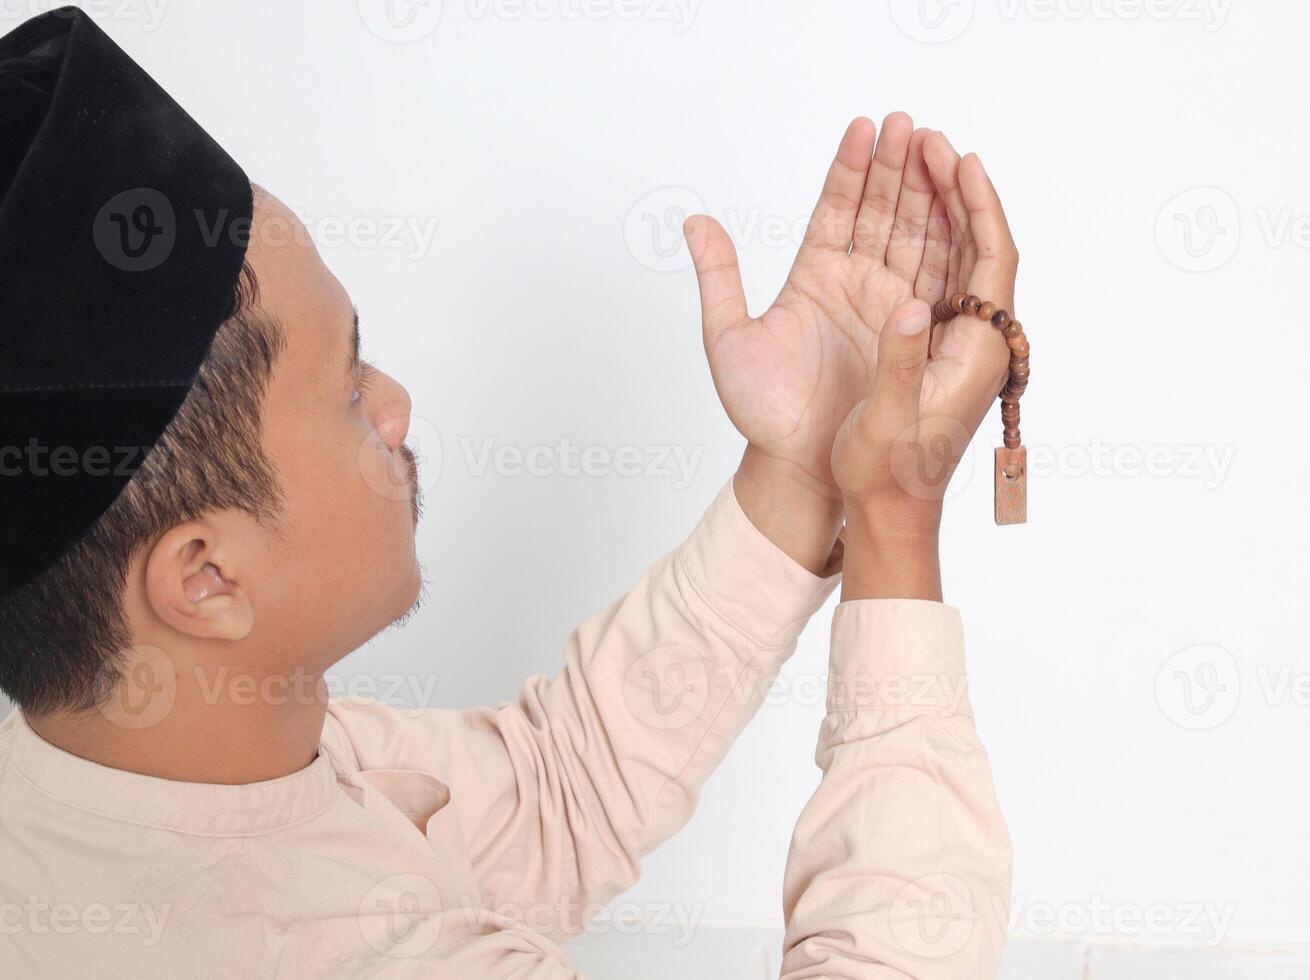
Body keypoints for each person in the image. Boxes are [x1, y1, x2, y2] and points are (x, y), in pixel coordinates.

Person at [0, 7, 1017, 977]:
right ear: (207, 574)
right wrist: (893, 523)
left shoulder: (140, 756)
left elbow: (551, 792)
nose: (394, 404)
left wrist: (805, 471)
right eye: (348, 385)